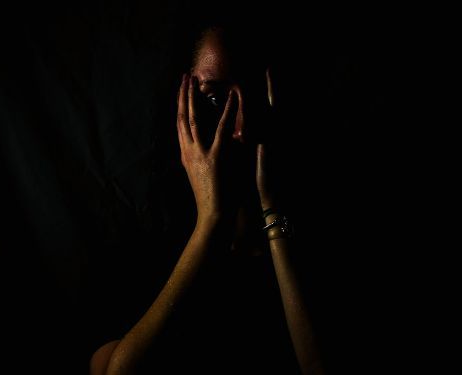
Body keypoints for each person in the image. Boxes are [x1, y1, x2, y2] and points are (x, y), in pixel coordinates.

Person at [90, 23, 324, 375]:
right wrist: (211, 223)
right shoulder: (144, 246)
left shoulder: (322, 240)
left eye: (257, 96)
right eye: (216, 99)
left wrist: (272, 206)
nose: (242, 128)